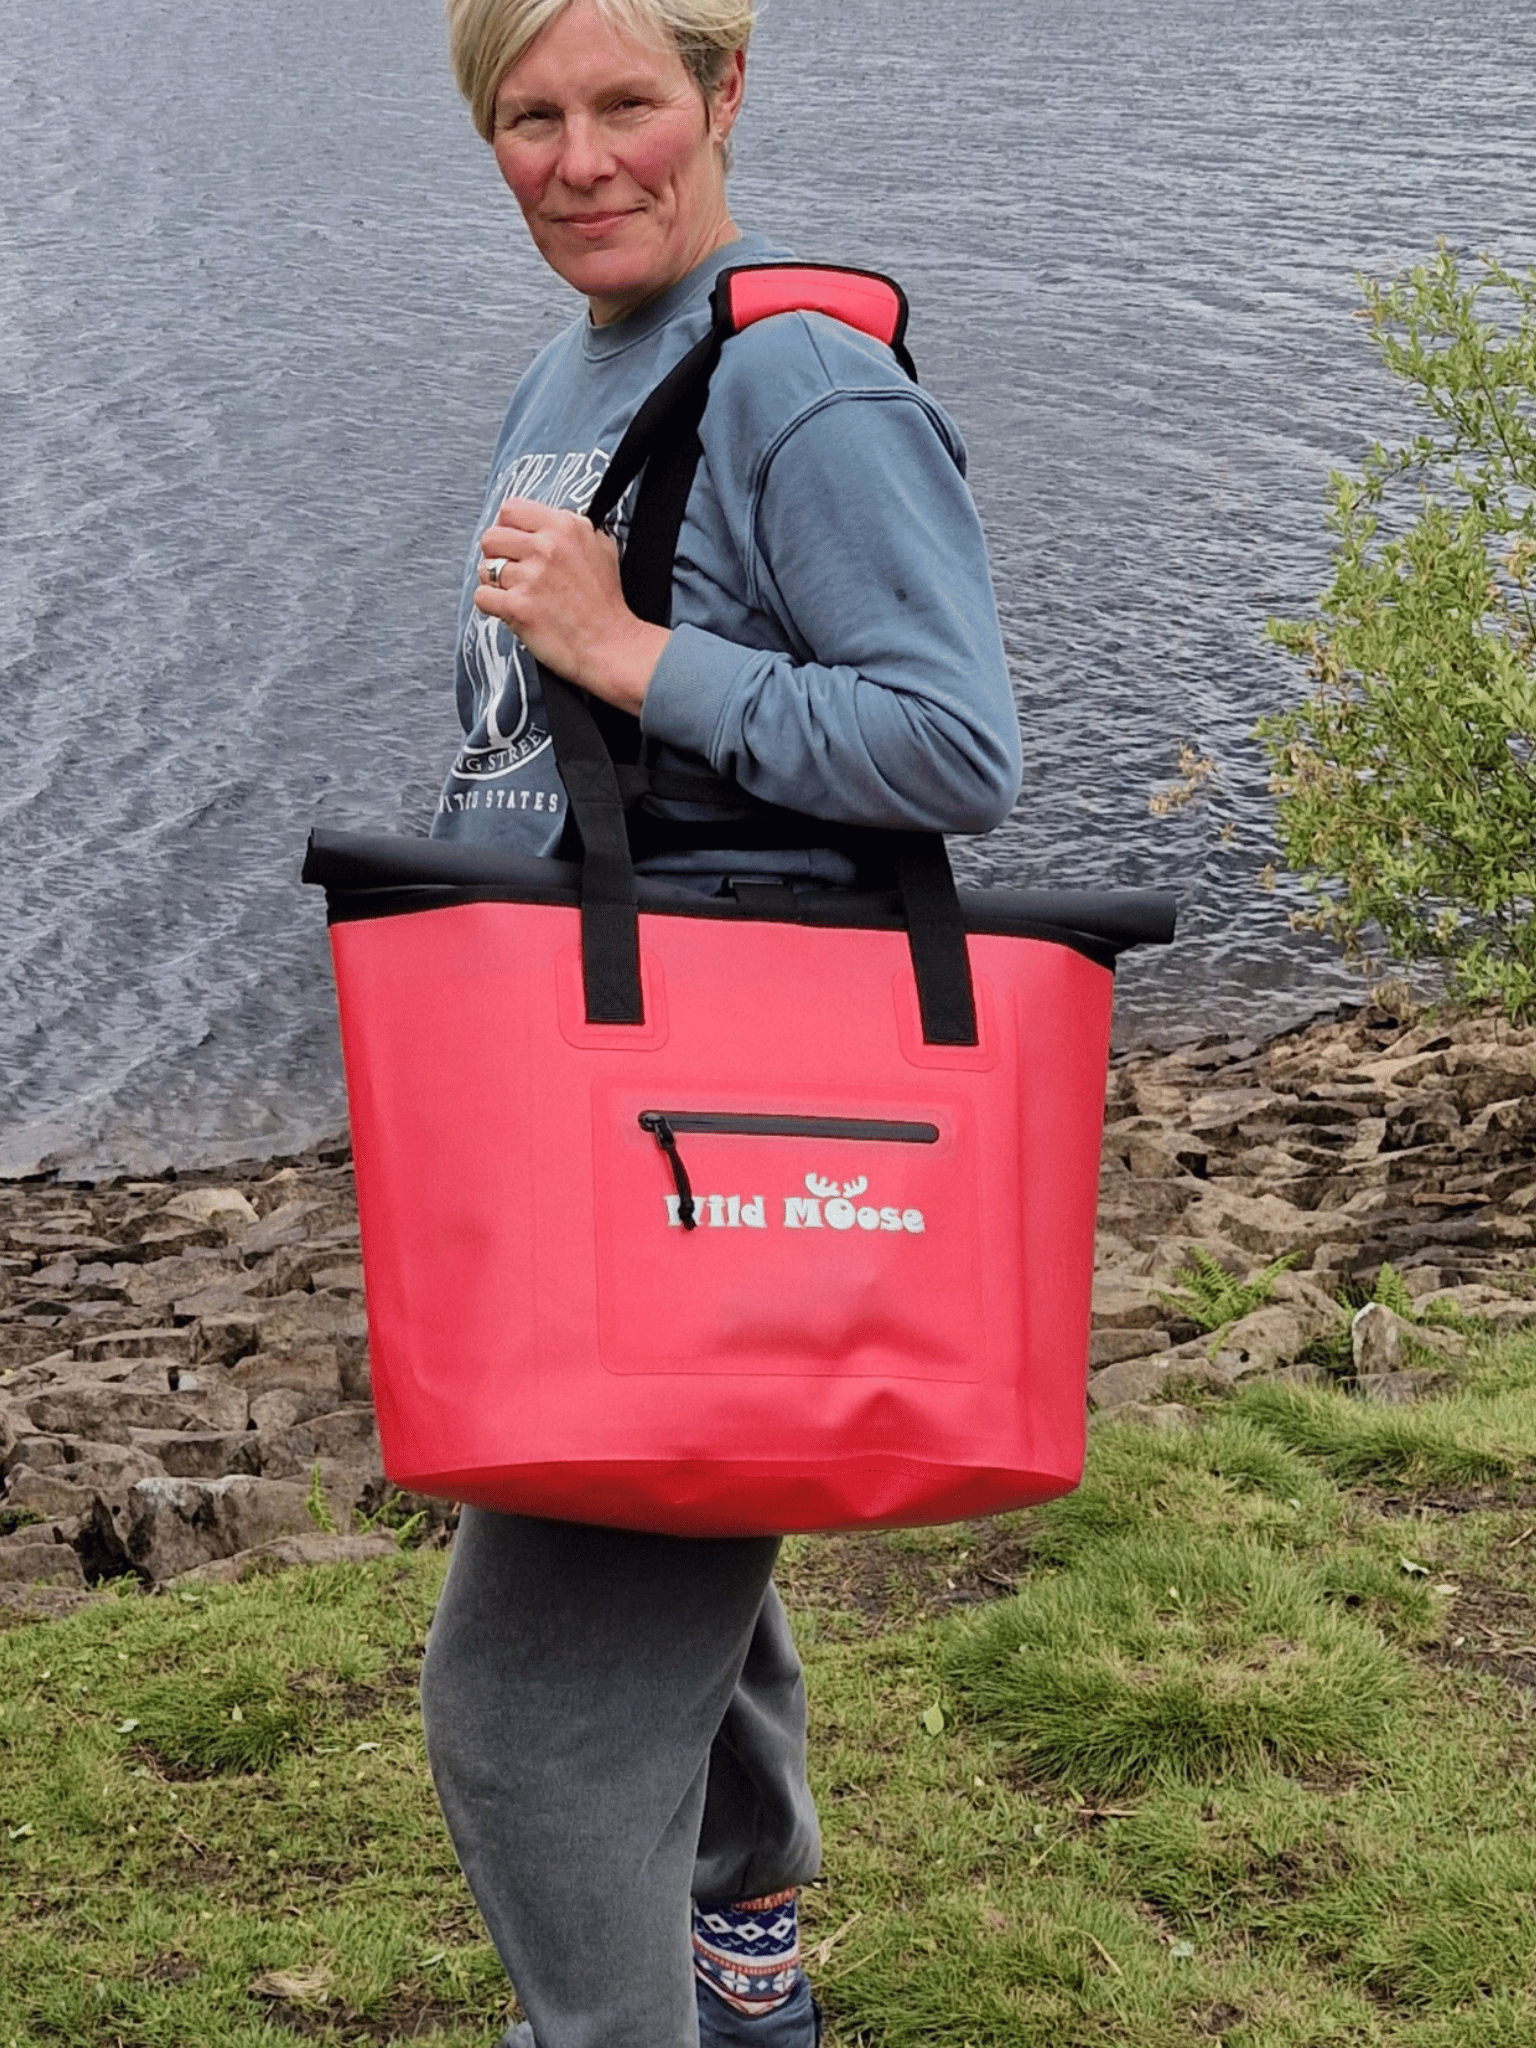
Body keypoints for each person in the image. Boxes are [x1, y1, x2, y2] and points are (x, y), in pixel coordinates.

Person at [418, 3, 1023, 2045]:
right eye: (531, 116)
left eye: (628, 105)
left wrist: (630, 647)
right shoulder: (584, 363)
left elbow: (956, 740)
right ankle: (742, 1974)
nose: (581, 159)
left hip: (730, 1141)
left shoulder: (803, 381)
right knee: (690, 1587)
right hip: (600, 1119)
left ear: (728, 95)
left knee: (520, 1716)